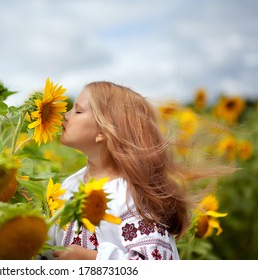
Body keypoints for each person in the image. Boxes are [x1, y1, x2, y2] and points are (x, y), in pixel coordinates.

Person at [48, 81, 232, 260]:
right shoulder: (71, 184)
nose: (66, 115)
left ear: (103, 131)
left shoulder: (131, 195)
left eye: (78, 111)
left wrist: (93, 261)